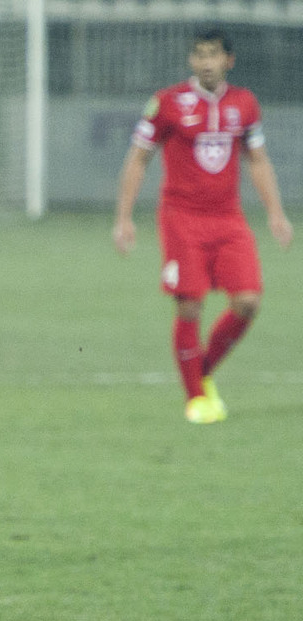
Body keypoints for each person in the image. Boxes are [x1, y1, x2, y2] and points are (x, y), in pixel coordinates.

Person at [112, 26, 292, 424]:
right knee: (190, 304)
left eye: (213, 54)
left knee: (248, 301)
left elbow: (257, 160)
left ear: (229, 60)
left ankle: (200, 371)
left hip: (229, 218)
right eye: (199, 54)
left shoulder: (244, 104)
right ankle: (196, 398)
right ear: (191, 60)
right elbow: (139, 158)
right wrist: (124, 217)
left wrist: (276, 213)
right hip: (182, 218)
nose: (205, 62)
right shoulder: (167, 103)